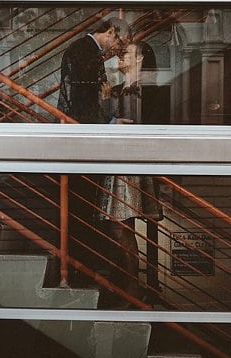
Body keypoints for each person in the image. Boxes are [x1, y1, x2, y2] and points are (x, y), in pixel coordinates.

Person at [57, 18, 122, 281]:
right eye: (116, 39)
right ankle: (83, 268)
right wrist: (108, 121)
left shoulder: (81, 49)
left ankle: (80, 267)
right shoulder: (88, 52)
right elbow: (85, 99)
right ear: (110, 32)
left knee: (81, 207)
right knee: (85, 207)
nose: (115, 46)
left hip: (78, 135)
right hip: (83, 139)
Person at [97, 174, 163, 308]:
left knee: (122, 231)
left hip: (123, 174)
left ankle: (132, 287)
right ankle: (129, 287)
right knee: (118, 232)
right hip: (116, 174)